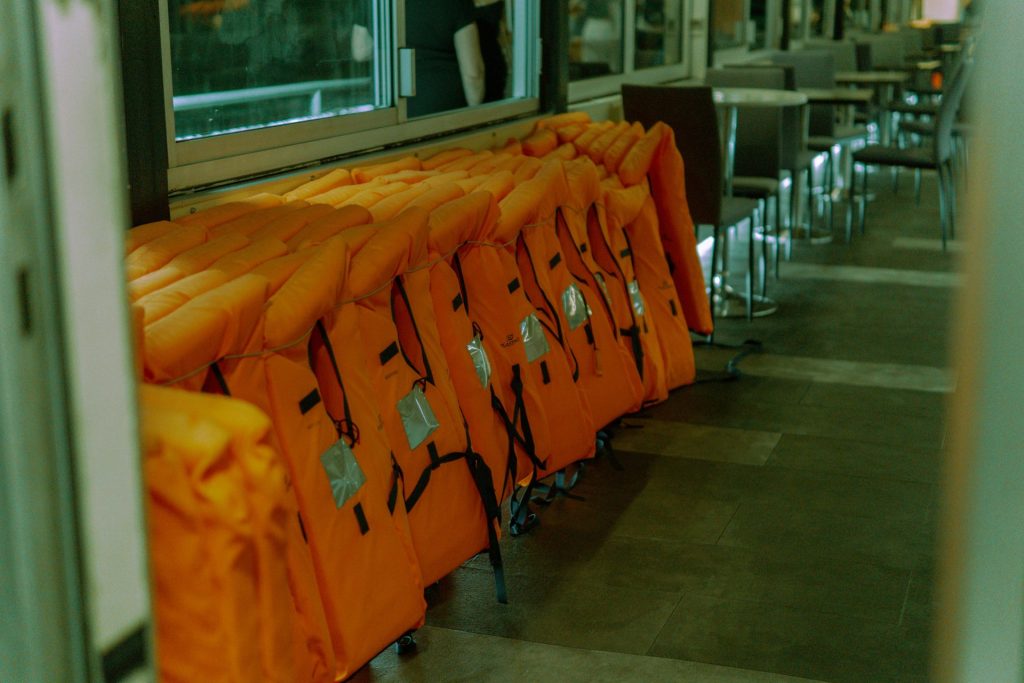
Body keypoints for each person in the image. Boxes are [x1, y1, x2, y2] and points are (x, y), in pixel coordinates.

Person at [405, 0, 485, 117]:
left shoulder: (388, 5)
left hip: (401, 111)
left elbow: (368, 49)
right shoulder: (457, 3)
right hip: (447, 109)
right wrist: (474, 114)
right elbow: (473, 74)